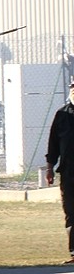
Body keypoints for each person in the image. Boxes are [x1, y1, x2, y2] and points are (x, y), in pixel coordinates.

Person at [43, 80, 74, 264]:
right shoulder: (62, 115)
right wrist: (49, 167)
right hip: (69, 173)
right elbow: (53, 144)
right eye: (73, 88)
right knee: (71, 212)